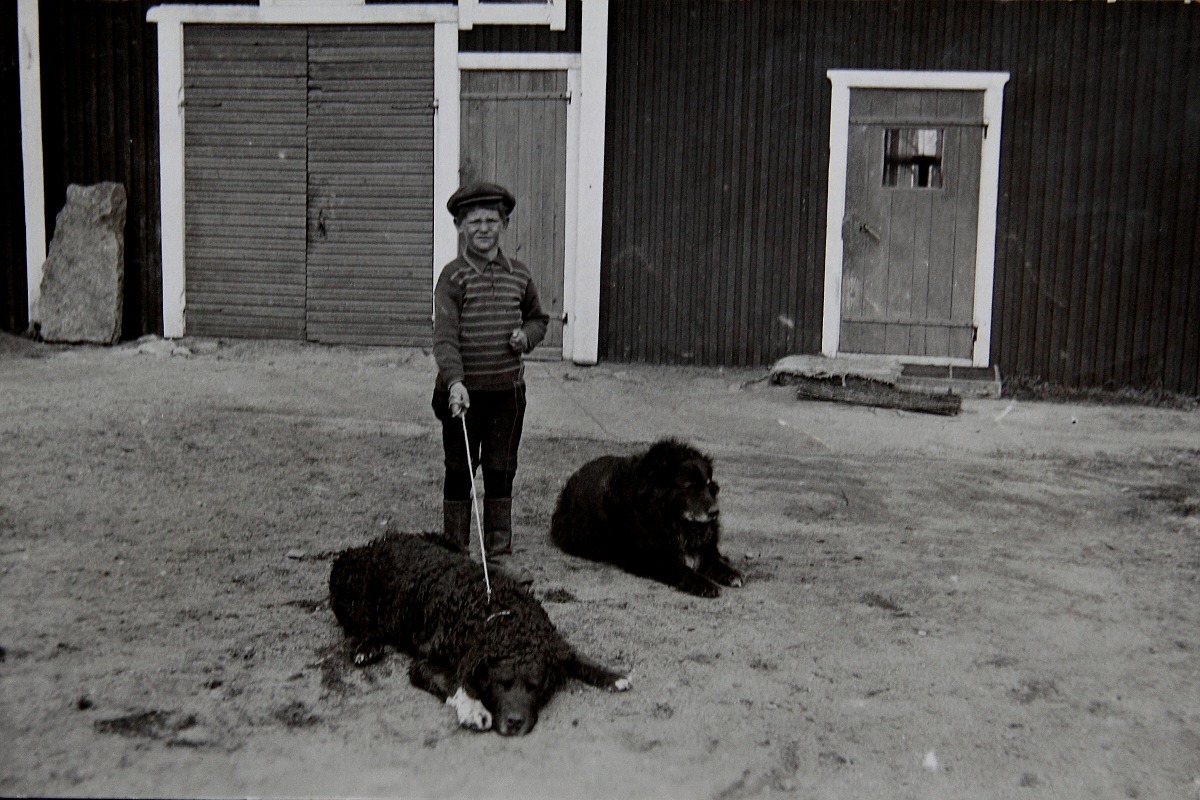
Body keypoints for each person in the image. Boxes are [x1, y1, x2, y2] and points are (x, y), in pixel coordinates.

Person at [431, 182, 550, 558]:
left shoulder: (520, 274)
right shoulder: (453, 276)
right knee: (460, 470)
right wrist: (455, 382)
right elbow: (445, 338)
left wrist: (526, 337)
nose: (483, 229)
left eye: (491, 221)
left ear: (505, 224)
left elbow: (538, 319)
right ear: (459, 227)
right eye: (474, 222)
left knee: (501, 470)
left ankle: (499, 552)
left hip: (507, 395)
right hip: (463, 397)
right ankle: (455, 549)